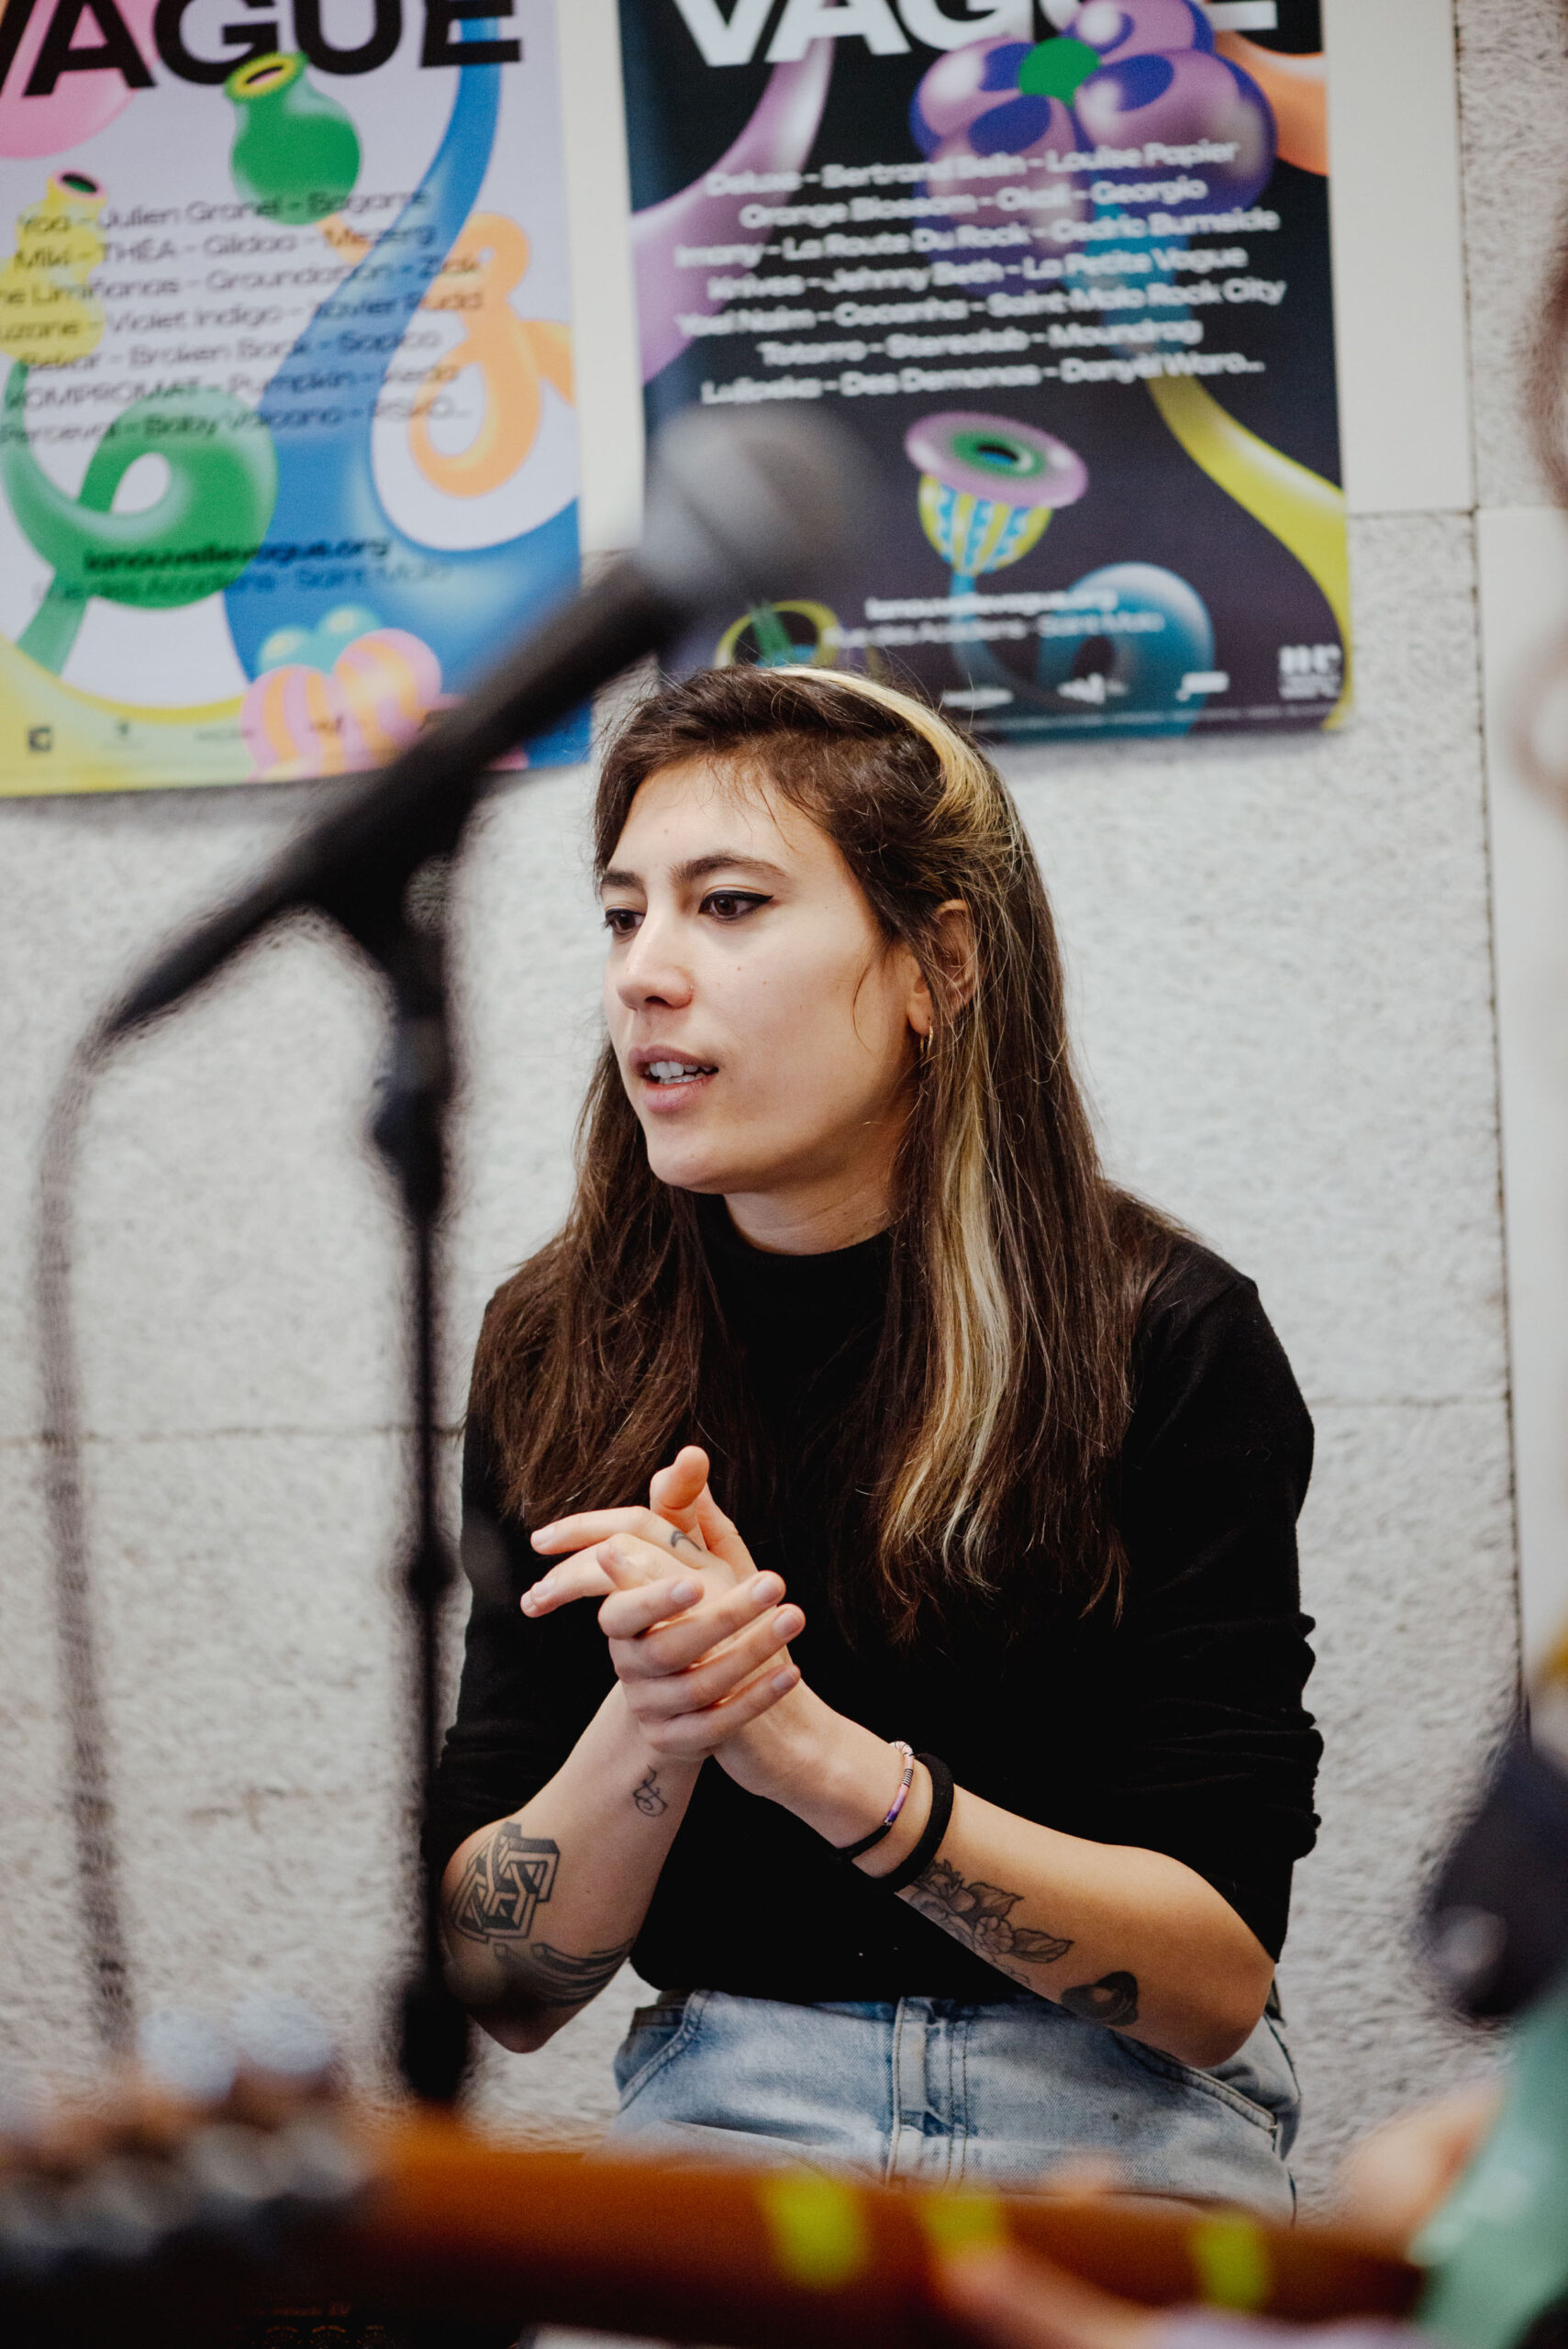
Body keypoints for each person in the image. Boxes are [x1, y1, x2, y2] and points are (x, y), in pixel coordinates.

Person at [423, 666, 1322, 2209]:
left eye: (727, 905)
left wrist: (812, 1758)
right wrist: (664, 1711)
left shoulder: (1162, 1331)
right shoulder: (561, 1343)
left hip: (1113, 2115)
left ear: (939, 964)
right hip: (730, 2110)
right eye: (623, 916)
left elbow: (1209, 1987)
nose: (645, 975)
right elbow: (500, 1988)